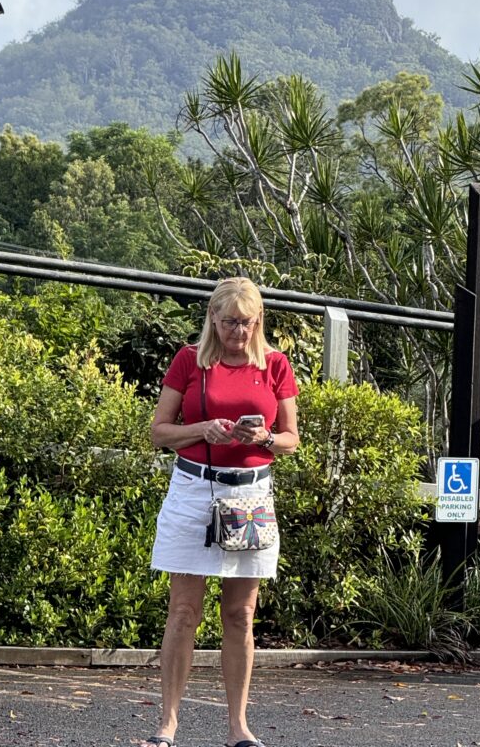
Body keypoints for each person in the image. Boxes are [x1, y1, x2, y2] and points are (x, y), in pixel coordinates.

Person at [140, 276, 299, 747]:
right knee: (184, 611)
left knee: (241, 614)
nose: (238, 332)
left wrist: (264, 438)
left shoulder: (275, 364)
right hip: (194, 490)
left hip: (251, 497)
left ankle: (238, 728)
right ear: (213, 317)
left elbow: (291, 438)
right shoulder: (190, 360)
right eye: (230, 322)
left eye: (247, 323)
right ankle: (168, 724)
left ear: (259, 321)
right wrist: (202, 429)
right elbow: (159, 432)